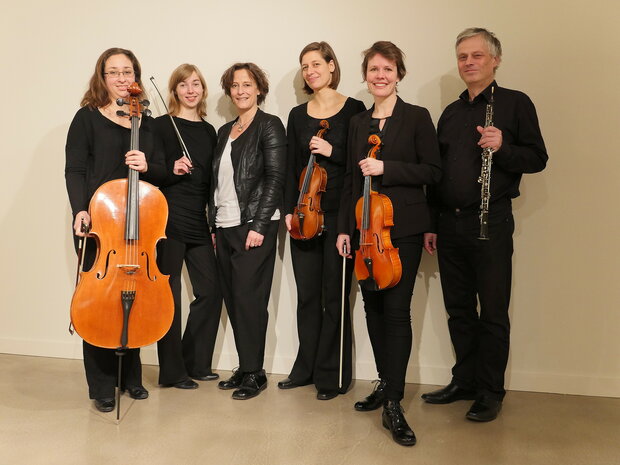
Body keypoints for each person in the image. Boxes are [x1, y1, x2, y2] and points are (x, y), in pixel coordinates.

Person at [422, 28, 548, 422]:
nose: (469, 62)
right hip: (449, 224)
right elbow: (437, 173)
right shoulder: (451, 113)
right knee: (458, 309)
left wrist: (503, 146)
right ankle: (466, 380)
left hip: (491, 221)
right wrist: (431, 222)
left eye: (477, 55)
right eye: (462, 56)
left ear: (495, 60)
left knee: (492, 311)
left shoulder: (514, 104)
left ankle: (491, 390)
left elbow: (538, 158)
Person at [336, 41, 441, 446]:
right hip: (365, 233)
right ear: (365, 75)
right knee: (373, 310)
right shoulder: (358, 123)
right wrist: (346, 228)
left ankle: (394, 402)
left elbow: (433, 170)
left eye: (388, 69)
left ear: (399, 74)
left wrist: (387, 168)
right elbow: (348, 178)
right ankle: (385, 382)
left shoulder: (416, 117)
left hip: (404, 230)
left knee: (396, 312)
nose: (380, 75)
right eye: (374, 69)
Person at [65, 47, 167, 412]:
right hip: (99, 224)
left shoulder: (147, 122)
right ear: (102, 78)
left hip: (138, 226)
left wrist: (148, 164)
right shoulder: (87, 118)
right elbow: (74, 168)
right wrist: (79, 209)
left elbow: (162, 172)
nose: (122, 79)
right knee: (99, 302)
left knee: (135, 295)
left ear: (136, 76)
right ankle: (102, 386)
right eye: (114, 73)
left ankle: (131, 377)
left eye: (128, 71)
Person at [279, 42, 365, 400]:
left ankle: (334, 375)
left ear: (332, 66)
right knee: (307, 297)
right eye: (304, 66)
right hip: (304, 215)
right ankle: (306, 368)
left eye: (316, 63)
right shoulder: (298, 115)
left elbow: (361, 165)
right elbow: (290, 168)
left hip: (339, 215)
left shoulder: (355, 110)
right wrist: (288, 209)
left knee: (335, 297)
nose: (310, 70)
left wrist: (334, 151)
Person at [210, 63, 286, 400]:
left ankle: (255, 373)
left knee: (250, 300)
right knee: (234, 299)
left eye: (247, 84)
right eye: (235, 85)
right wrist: (214, 222)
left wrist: (258, 225)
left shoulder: (269, 125)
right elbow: (219, 182)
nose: (241, 90)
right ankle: (245, 366)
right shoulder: (224, 131)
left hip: (254, 225)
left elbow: (275, 178)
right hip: (225, 225)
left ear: (259, 89)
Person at [153, 64, 223, 390]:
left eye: (196, 84)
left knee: (210, 291)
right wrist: (172, 167)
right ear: (175, 91)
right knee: (170, 299)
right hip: (167, 219)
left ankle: (193, 362)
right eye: (184, 85)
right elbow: (148, 172)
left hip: (197, 218)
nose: (191, 90)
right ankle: (171, 372)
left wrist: (211, 219)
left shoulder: (210, 132)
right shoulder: (160, 127)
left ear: (203, 89)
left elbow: (211, 182)